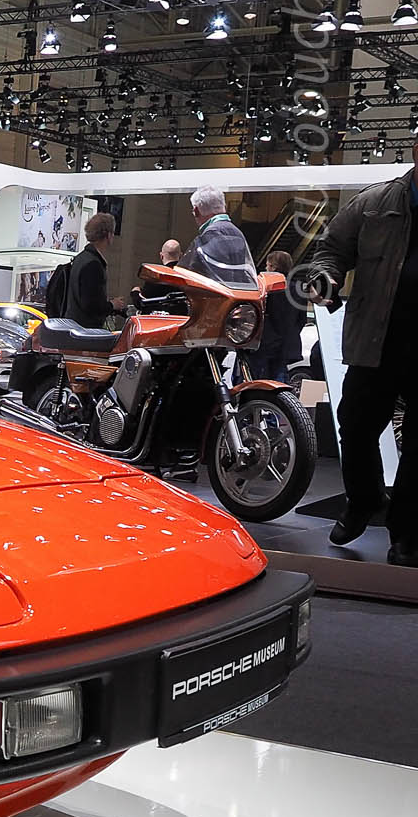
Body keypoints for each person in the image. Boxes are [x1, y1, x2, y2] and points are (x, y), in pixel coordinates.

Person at [306, 149, 418, 564]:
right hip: (377, 339)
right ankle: (365, 499)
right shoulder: (373, 203)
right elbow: (331, 250)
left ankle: (407, 531)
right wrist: (325, 277)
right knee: (354, 425)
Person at [247, 249, 305, 385]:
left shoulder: (265, 288)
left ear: (273, 267)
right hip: (287, 343)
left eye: (267, 265)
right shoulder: (299, 289)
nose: (265, 268)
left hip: (264, 343)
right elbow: (301, 319)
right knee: (280, 380)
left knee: (257, 381)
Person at [50, 212, 117, 328]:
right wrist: (112, 305)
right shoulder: (93, 264)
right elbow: (91, 305)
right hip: (85, 331)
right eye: (113, 232)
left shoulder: (80, 258)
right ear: (108, 235)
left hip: (72, 326)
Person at [179, 185, 256, 283]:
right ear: (224, 206)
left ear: (196, 211)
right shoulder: (236, 232)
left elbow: (216, 275)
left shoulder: (211, 234)